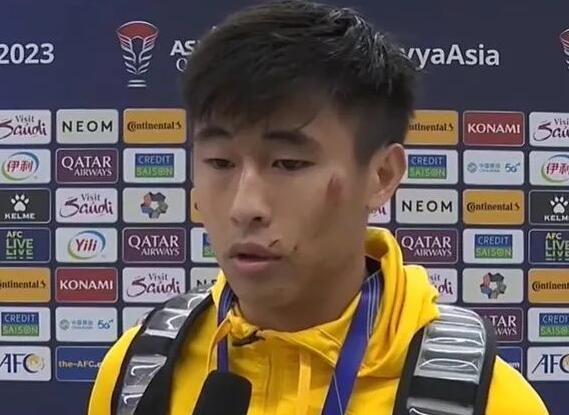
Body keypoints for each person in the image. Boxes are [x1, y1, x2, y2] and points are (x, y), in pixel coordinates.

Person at [88, 1, 549, 414]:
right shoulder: (136, 376)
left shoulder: (491, 402)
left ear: (382, 176)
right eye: (220, 162)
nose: (245, 206)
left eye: (289, 164)